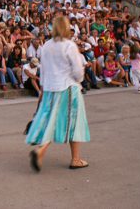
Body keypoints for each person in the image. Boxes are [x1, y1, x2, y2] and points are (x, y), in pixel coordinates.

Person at [26, 16, 89, 172]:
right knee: (73, 123)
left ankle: (41, 150)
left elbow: (44, 70)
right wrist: (80, 79)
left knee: (51, 122)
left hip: (49, 89)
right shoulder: (69, 45)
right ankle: (75, 159)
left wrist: (42, 89)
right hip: (68, 88)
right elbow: (77, 72)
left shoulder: (46, 45)